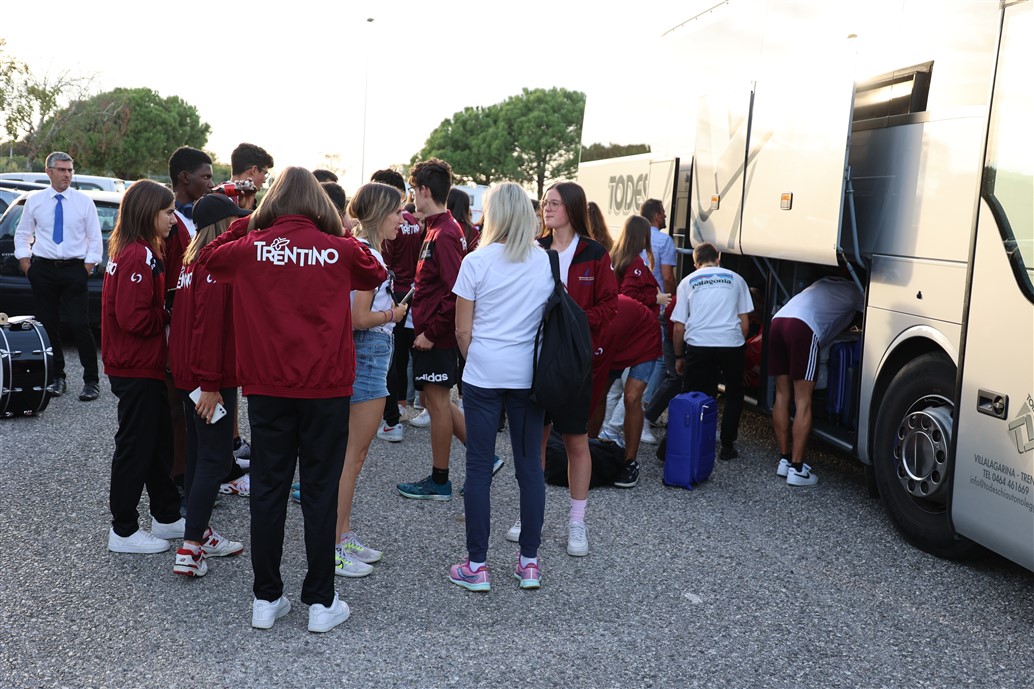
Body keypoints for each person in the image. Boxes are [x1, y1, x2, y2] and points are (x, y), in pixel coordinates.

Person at [199, 167, 386, 633]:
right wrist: (337, 231)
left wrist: (250, 222)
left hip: (268, 388)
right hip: (326, 388)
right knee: (320, 490)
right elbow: (376, 269)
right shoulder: (338, 246)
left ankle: (266, 598)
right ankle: (321, 602)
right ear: (318, 204)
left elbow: (208, 257)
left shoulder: (251, 245)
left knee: (268, 489)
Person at [450, 182, 554, 591]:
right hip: (528, 375)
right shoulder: (545, 261)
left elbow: (462, 330)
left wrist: (477, 357)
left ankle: (477, 565)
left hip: (484, 373)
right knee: (530, 468)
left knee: (478, 467)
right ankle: (529, 562)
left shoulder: (476, 261)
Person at [514, 181, 617, 557]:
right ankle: (530, 516)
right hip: (537, 358)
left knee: (575, 441)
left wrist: (575, 321)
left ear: (572, 208)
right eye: (545, 202)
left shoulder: (595, 253)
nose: (546, 208)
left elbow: (610, 305)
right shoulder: (534, 248)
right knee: (535, 442)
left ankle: (577, 522)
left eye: (554, 203)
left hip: (574, 360)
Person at [167, 193, 251, 577]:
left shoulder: (191, 260)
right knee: (213, 459)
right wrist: (211, 383)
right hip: (209, 377)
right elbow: (209, 327)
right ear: (221, 225)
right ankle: (190, 549)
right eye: (232, 221)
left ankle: (198, 532)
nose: (237, 226)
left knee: (200, 454)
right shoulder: (215, 266)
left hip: (191, 373)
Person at [101, 180, 184, 554]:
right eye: (168, 212)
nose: (173, 220)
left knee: (158, 441)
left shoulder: (139, 250)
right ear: (149, 212)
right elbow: (133, 317)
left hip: (142, 364)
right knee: (135, 446)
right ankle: (123, 530)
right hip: (134, 365)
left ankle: (166, 515)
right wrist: (167, 313)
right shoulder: (137, 255)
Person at [396, 159, 483, 501]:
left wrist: (431, 332)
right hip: (432, 331)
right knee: (436, 402)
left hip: (437, 336)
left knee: (437, 403)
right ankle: (484, 456)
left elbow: (456, 291)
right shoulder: (437, 227)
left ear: (424, 191)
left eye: (412, 190)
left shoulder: (444, 232)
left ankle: (440, 480)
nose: (411, 197)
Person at [333, 182, 408, 577]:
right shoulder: (368, 253)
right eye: (397, 211)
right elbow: (358, 317)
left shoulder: (358, 248)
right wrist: (393, 314)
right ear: (380, 213)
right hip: (368, 353)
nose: (402, 218)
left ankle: (342, 535)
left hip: (366, 353)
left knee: (351, 455)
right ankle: (334, 544)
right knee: (352, 456)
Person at [13, 151, 102, 401]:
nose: (67, 175)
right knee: (48, 325)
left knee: (80, 325)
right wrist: (27, 264)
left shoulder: (84, 202)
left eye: (70, 170)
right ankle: (56, 378)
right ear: (49, 172)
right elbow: (22, 234)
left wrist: (86, 268)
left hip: (75, 270)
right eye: (61, 170)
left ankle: (91, 381)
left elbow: (95, 238)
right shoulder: (35, 201)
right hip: (43, 270)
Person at [769, 274, 863, 486]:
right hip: (803, 328)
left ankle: (784, 460)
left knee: (781, 395)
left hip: (778, 322)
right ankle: (797, 469)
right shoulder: (855, 290)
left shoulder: (822, 282)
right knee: (803, 400)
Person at [671, 242, 754, 461]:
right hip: (731, 344)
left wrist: (679, 356)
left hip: (699, 345)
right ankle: (727, 445)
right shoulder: (737, 279)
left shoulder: (688, 282)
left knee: (695, 393)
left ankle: (693, 439)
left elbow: (679, 327)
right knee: (734, 394)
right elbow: (745, 323)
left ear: (695, 263)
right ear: (718, 258)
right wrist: (736, 342)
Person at [598, 214, 671, 447]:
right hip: (638, 333)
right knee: (634, 392)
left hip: (617, 330)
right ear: (642, 236)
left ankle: (605, 432)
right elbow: (628, 296)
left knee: (613, 389)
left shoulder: (614, 257)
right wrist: (655, 298)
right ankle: (612, 430)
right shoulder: (635, 263)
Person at [587, 295, 662, 488]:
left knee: (631, 397)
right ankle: (588, 448)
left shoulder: (600, 326)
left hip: (644, 335)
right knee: (598, 393)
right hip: (617, 338)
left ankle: (630, 462)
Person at [371, 169, 423, 442]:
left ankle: (392, 416)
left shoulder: (390, 222)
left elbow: (384, 261)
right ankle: (399, 406)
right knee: (400, 355)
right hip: (409, 289)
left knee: (389, 356)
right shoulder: (412, 220)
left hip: (392, 290)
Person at [639, 198, 678, 436]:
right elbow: (668, 276)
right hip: (657, 305)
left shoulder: (633, 237)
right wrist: (673, 300)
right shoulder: (664, 240)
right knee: (660, 359)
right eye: (663, 213)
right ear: (656, 216)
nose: (665, 217)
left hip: (637, 304)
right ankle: (645, 412)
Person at [228, 142, 274, 211]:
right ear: (254, 170)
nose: (264, 180)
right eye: (265, 173)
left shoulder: (218, 197)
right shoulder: (225, 202)